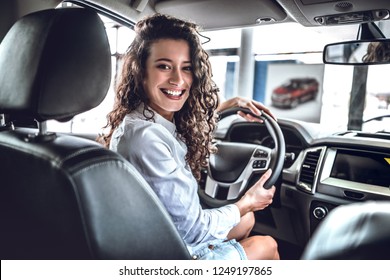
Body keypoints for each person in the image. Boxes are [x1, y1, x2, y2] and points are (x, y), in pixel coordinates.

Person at [99, 13, 279, 260]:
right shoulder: (146, 139)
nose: (178, 79)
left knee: (247, 220)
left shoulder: (141, 121)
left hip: (155, 236)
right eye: (164, 66)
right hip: (170, 252)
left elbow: (178, 127)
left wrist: (231, 104)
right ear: (141, 72)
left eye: (186, 68)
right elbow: (194, 230)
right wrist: (247, 201)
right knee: (266, 245)